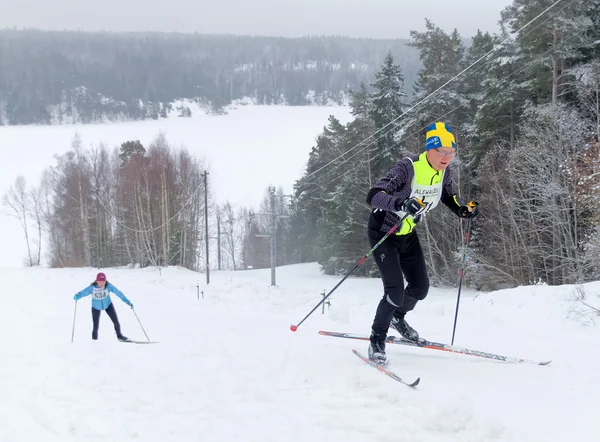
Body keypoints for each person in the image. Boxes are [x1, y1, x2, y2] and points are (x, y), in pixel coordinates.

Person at [365, 122, 478, 364]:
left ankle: (397, 317)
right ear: (430, 150)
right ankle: (377, 339)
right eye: (443, 152)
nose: (447, 157)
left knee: (420, 287)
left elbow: (447, 194)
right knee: (394, 290)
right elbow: (374, 195)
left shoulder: (444, 171)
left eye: (452, 152)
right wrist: (401, 204)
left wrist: (462, 210)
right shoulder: (407, 168)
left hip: (407, 232)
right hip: (384, 231)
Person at [73, 272, 134, 341]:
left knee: (116, 321)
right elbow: (84, 292)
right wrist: (78, 295)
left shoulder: (109, 286)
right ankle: (94, 340)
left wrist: (128, 302)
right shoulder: (92, 288)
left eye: (103, 281)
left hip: (108, 305)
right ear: (96, 281)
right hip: (96, 307)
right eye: (100, 281)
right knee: (95, 325)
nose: (102, 283)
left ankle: (119, 336)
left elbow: (119, 293)